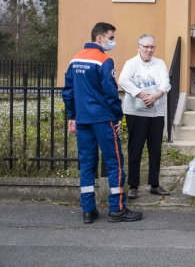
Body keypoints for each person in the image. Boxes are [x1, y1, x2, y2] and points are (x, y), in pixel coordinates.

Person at [62, 22, 143, 224]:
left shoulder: (75, 60)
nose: (112, 41)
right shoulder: (103, 61)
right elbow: (110, 91)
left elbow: (68, 91)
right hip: (102, 119)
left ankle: (88, 209)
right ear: (100, 38)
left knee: (87, 163)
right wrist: (117, 115)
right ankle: (117, 209)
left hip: (83, 120)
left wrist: (72, 116)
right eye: (111, 37)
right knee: (114, 162)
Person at [118, 34, 171, 199]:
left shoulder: (160, 63)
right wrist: (142, 95)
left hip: (156, 112)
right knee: (136, 148)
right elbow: (123, 81)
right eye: (146, 46)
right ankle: (133, 185)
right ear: (138, 47)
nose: (149, 50)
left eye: (152, 47)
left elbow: (165, 82)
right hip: (136, 112)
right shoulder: (131, 63)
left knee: (155, 148)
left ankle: (154, 184)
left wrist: (156, 96)